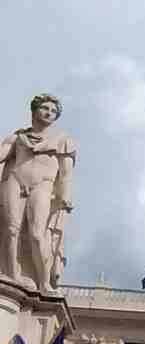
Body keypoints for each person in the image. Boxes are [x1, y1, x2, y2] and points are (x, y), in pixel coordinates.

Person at [0, 93, 76, 293]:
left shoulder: (62, 140)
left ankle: (43, 282)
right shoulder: (17, 137)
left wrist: (65, 195)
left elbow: (66, 173)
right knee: (10, 230)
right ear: (34, 111)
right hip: (15, 181)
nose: (49, 113)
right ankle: (12, 276)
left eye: (53, 111)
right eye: (45, 108)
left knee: (36, 234)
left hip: (43, 186)